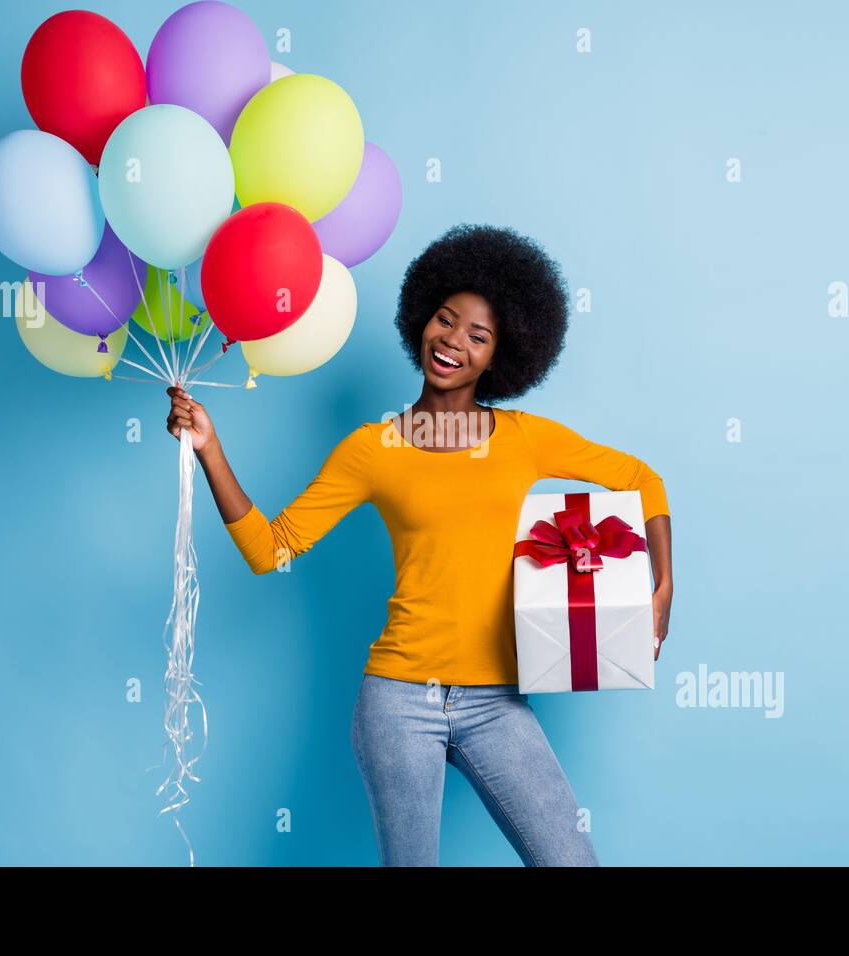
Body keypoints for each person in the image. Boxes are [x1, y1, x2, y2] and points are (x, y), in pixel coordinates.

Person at [166, 223, 674, 866]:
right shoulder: (370, 450)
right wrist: (211, 448)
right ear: (421, 319)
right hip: (399, 700)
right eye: (445, 319)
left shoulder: (525, 438)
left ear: (501, 356)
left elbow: (641, 479)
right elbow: (272, 549)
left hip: (498, 700)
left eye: (478, 336)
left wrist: (662, 587)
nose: (454, 341)